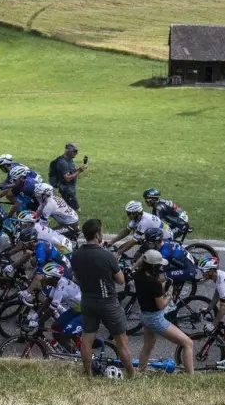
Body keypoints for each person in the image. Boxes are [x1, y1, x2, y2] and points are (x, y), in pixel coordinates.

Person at [69, 218, 133, 378]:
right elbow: (121, 281)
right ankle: (132, 374)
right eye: (101, 231)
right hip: (108, 302)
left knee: (87, 339)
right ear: (97, 234)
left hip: (88, 301)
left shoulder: (76, 255)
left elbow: (76, 278)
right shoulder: (107, 256)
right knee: (122, 341)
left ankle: (88, 373)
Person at [134, 249, 194, 373]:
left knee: (148, 345)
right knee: (188, 343)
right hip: (155, 318)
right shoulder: (153, 283)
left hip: (144, 316)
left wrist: (161, 287)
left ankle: (141, 371)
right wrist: (169, 293)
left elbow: (150, 290)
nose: (161, 267)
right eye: (159, 265)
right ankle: (191, 378)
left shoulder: (138, 275)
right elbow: (161, 305)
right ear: (154, 266)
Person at [48, 142, 86, 211]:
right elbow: (67, 178)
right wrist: (79, 171)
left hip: (70, 188)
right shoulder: (62, 162)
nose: (76, 153)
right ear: (68, 151)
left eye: (76, 151)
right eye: (74, 151)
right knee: (76, 209)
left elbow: (71, 171)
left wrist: (80, 168)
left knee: (69, 208)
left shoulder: (70, 160)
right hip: (66, 189)